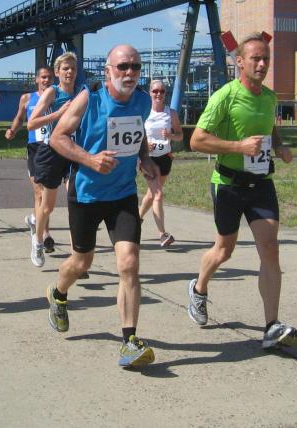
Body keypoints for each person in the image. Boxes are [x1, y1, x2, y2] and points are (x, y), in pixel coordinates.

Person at [46, 44, 160, 368]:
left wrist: (145, 158)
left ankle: (129, 341)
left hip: (123, 194)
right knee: (81, 262)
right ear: (108, 71)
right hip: (86, 195)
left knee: (129, 263)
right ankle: (58, 293)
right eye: (123, 66)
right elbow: (57, 138)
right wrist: (90, 160)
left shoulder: (142, 101)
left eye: (135, 67)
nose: (129, 73)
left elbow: (137, 133)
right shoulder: (89, 98)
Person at [187, 33, 297, 351]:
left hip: (261, 182)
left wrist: (280, 146)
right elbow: (196, 140)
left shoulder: (270, 97)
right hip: (228, 183)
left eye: (266, 59)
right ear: (240, 62)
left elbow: (269, 127)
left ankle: (271, 326)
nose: (262, 64)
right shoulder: (225, 96)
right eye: (255, 59)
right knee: (224, 250)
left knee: (270, 249)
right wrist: (238, 147)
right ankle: (198, 288)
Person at [25, 52, 84, 266]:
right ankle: (38, 240)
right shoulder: (52, 92)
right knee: (47, 206)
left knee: (76, 202)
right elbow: (31, 123)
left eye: (73, 68)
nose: (70, 72)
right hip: (53, 151)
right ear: (57, 72)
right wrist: (58, 114)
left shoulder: (82, 92)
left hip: (74, 151)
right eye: (65, 68)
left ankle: (76, 255)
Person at [5, 66, 53, 238]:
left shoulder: (57, 97)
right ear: (37, 79)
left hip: (52, 146)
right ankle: (45, 234)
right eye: (43, 77)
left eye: (49, 77)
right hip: (34, 147)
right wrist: (12, 130)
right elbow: (20, 118)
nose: (46, 80)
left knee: (47, 192)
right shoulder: (27, 98)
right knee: (39, 191)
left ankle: (34, 219)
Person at [138, 79, 183, 247]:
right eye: (155, 91)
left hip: (164, 159)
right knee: (157, 194)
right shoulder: (143, 112)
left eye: (162, 91)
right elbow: (135, 135)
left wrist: (170, 135)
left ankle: (137, 218)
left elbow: (180, 135)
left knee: (152, 194)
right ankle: (162, 234)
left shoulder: (171, 113)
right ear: (149, 92)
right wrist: (144, 144)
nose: (158, 94)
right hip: (148, 160)